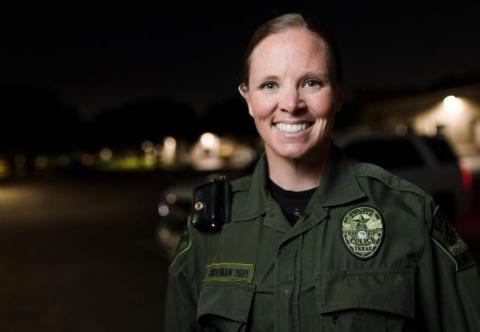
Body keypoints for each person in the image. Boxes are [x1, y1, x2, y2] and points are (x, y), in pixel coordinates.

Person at [164, 13, 480, 331]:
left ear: (338, 95)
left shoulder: (409, 213)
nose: (290, 103)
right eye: (269, 84)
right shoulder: (211, 226)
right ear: (248, 98)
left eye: (312, 82)